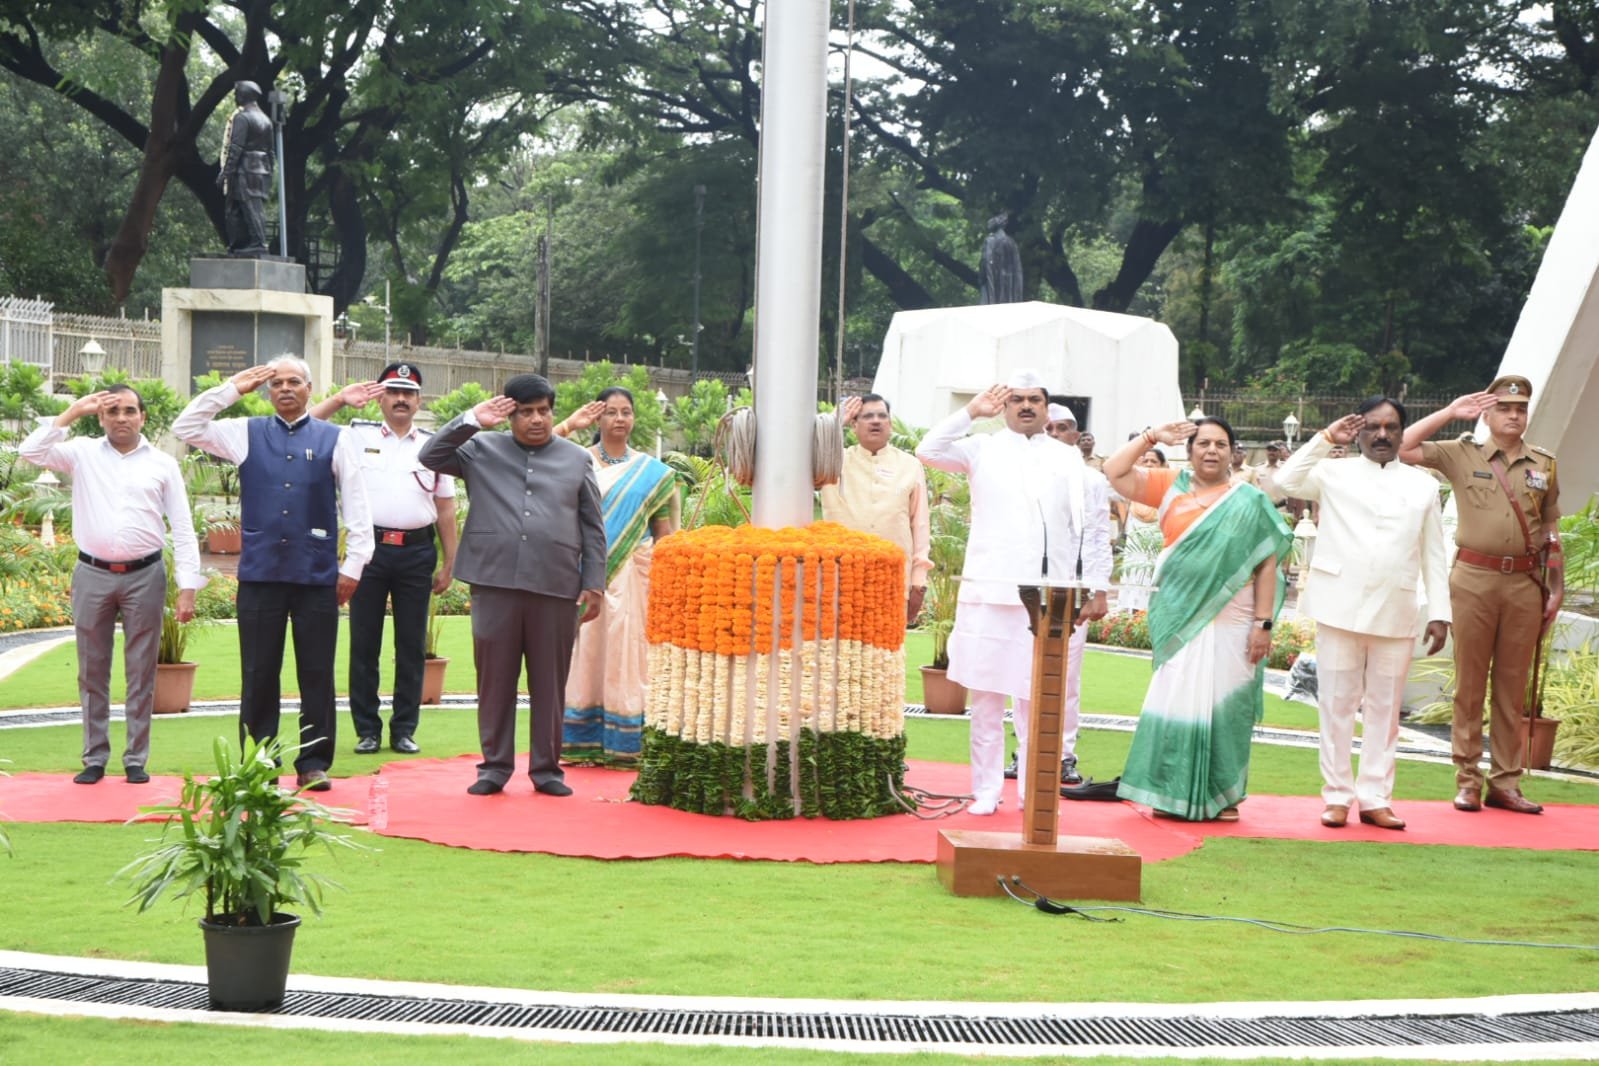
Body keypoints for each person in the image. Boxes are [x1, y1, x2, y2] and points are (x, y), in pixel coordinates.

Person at [916, 372, 1112, 815]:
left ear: (1047, 409)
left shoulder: (1067, 463)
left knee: (1037, 703)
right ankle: (986, 790)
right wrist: (972, 411)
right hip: (988, 594)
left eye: (1035, 400)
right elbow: (927, 450)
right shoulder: (981, 448)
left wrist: (1096, 588)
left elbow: (1092, 532)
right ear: (1004, 408)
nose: (1026, 406)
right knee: (985, 701)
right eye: (1017, 400)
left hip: (1047, 598)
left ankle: (1032, 791)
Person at [174, 357, 373, 791]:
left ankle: (314, 760)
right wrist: (232, 389)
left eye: (294, 382)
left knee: (317, 672)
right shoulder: (245, 433)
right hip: (261, 574)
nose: (285, 388)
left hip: (317, 575)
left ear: (310, 387)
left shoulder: (337, 438)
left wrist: (354, 565)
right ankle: (261, 760)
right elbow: (185, 427)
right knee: (259, 671)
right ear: (268, 391)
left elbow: (359, 508)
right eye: (277, 383)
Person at [419, 373, 606, 796]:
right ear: (510, 414)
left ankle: (547, 771)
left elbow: (593, 528)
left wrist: (593, 582)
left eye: (543, 411)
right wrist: (471, 419)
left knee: (549, 683)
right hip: (494, 581)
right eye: (525, 412)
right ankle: (495, 768)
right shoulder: (482, 448)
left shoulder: (577, 459)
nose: (536, 419)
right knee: (496, 680)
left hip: (556, 584)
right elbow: (431, 455)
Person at [1274, 399, 1451, 830]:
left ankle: (1375, 798)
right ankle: (1336, 796)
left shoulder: (1423, 486)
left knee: (1385, 710)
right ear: (1358, 432)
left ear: (1403, 432)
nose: (1382, 434)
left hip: (1397, 605)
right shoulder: (1333, 473)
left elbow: (1434, 554)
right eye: (1372, 427)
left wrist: (1440, 611)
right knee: (1335, 705)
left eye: (1391, 427)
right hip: (1339, 604)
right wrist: (1323, 439)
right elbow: (1284, 480)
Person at [1104, 417, 1291, 821]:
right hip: (1179, 613)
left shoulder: (1249, 500)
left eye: (1221, 444)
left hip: (1236, 618)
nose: (1211, 450)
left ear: (1233, 452)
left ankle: (1221, 795)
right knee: (1175, 699)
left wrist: (1263, 624)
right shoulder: (1170, 484)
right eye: (1203, 443)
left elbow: (1266, 563)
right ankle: (1168, 790)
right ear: (1190, 451)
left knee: (1227, 704)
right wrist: (1151, 437)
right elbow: (1113, 470)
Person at [20, 386, 204, 785]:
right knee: (92, 668)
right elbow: (30, 453)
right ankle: (95, 757)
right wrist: (72, 412)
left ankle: (136, 757)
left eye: (130, 411)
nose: (121, 418)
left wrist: (189, 585)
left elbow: (184, 528)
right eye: (113, 411)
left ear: (143, 417)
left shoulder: (163, 464)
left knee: (141, 670)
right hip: (92, 574)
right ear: (101, 418)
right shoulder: (81, 453)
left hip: (145, 575)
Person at [1399, 376, 1561, 815]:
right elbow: (1403, 447)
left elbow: (1550, 529)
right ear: (1487, 414)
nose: (1514, 416)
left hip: (1525, 584)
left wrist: (1556, 586)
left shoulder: (1543, 464)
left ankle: (1505, 783)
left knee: (1511, 688)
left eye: (1520, 409)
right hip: (1474, 578)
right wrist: (1451, 412)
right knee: (1470, 686)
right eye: (1505, 408)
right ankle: (1468, 780)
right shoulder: (1462, 452)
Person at [310, 362, 459, 756]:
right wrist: (340, 400)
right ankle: (367, 730)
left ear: (419, 400)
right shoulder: (353, 437)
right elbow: (305, 425)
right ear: (380, 397)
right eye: (393, 391)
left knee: (411, 645)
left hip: (417, 551)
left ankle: (404, 729)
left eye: (408, 393)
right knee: (364, 643)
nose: (401, 399)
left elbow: (446, 508)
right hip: (368, 551)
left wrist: (449, 562)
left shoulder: (435, 445)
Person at [550, 386, 679, 765]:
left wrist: (672, 570)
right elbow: (532, 450)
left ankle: (625, 743)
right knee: (583, 652)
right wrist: (569, 425)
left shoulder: (651, 472)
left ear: (634, 418)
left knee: (627, 654)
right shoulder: (576, 460)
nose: (619, 419)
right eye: (610, 412)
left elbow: (662, 530)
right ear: (598, 417)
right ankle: (578, 741)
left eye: (626, 412)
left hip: (632, 578)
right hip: (579, 573)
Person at [822, 393, 932, 625]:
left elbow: (920, 525)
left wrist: (918, 581)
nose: (876, 421)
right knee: (841, 654)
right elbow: (795, 456)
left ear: (890, 424)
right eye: (867, 416)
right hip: (841, 578)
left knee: (886, 657)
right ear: (853, 425)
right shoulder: (833, 461)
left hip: (891, 579)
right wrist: (833, 422)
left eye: (882, 416)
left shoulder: (910, 466)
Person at [217, 80, 275, 256]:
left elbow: (235, 149)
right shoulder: (266, 120)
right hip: (261, 169)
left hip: (245, 169)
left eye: (236, 94)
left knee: (249, 206)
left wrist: (224, 174)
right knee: (239, 207)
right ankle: (239, 243)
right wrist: (270, 172)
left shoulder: (242, 118)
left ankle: (258, 241)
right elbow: (270, 151)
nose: (235, 98)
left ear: (243, 95)